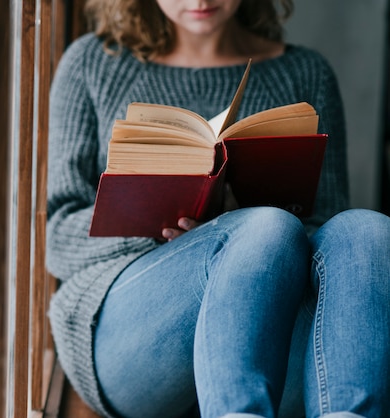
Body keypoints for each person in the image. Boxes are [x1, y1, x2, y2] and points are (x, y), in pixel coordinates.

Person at [45, 0, 390, 417]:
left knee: (368, 230)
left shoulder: (306, 72)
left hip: (269, 321)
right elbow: (59, 236)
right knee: (261, 227)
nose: (199, 0)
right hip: (131, 334)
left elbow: (327, 232)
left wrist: (236, 217)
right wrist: (159, 223)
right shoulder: (92, 63)